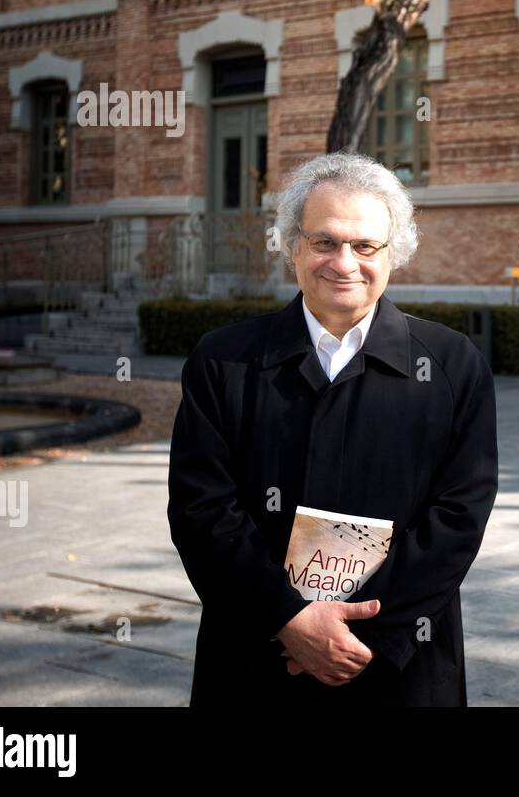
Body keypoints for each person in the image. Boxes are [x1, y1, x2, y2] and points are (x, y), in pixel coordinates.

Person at [168, 152, 498, 706]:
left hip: (400, 664)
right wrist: (289, 620)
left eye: (365, 245)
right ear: (292, 245)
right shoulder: (223, 361)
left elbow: (458, 516)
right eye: (324, 242)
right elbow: (202, 511)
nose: (344, 262)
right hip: (257, 660)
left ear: (394, 252)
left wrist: (360, 633)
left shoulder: (452, 365)